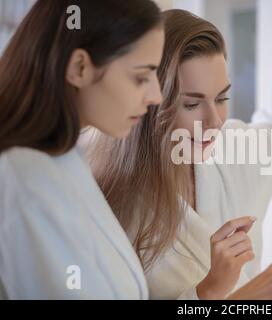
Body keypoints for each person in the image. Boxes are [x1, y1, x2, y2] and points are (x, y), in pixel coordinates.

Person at [88, 0, 272, 300]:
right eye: (191, 103)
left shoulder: (235, 152)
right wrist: (216, 291)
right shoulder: (106, 200)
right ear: (148, 101)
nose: (214, 122)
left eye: (222, 98)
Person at [0, 0, 165, 299]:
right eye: (141, 77)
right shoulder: (26, 178)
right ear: (79, 68)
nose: (156, 96)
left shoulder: (66, 162)